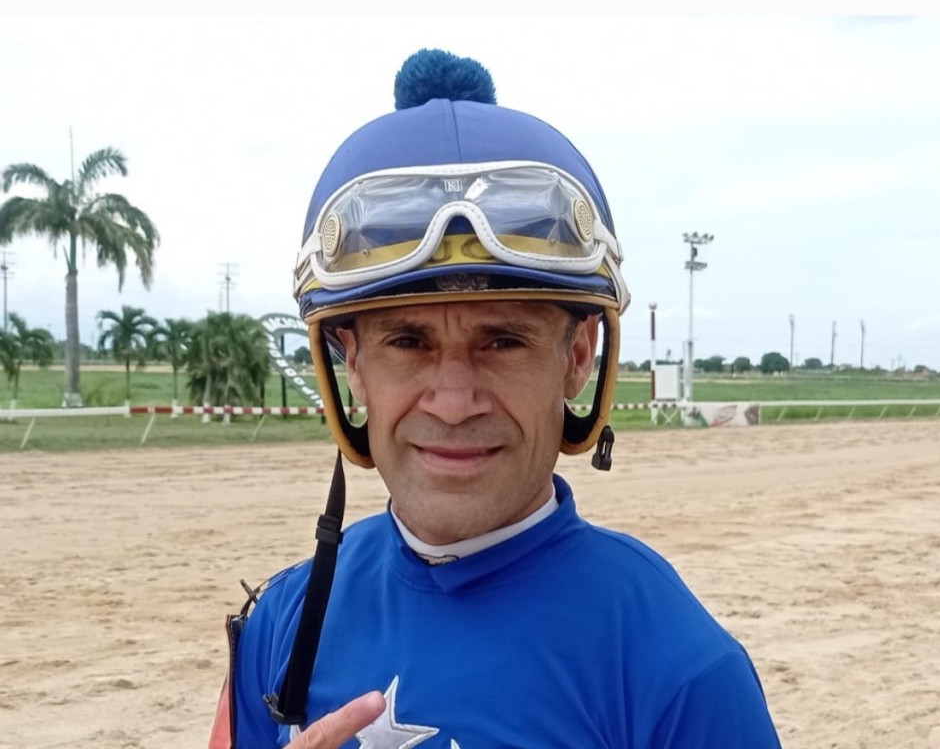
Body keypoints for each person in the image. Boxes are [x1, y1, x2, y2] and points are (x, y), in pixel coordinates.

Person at [209, 49, 782, 749]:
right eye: (408, 342)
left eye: (503, 341)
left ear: (577, 360)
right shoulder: (285, 623)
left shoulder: (678, 668)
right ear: (351, 364)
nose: (453, 401)